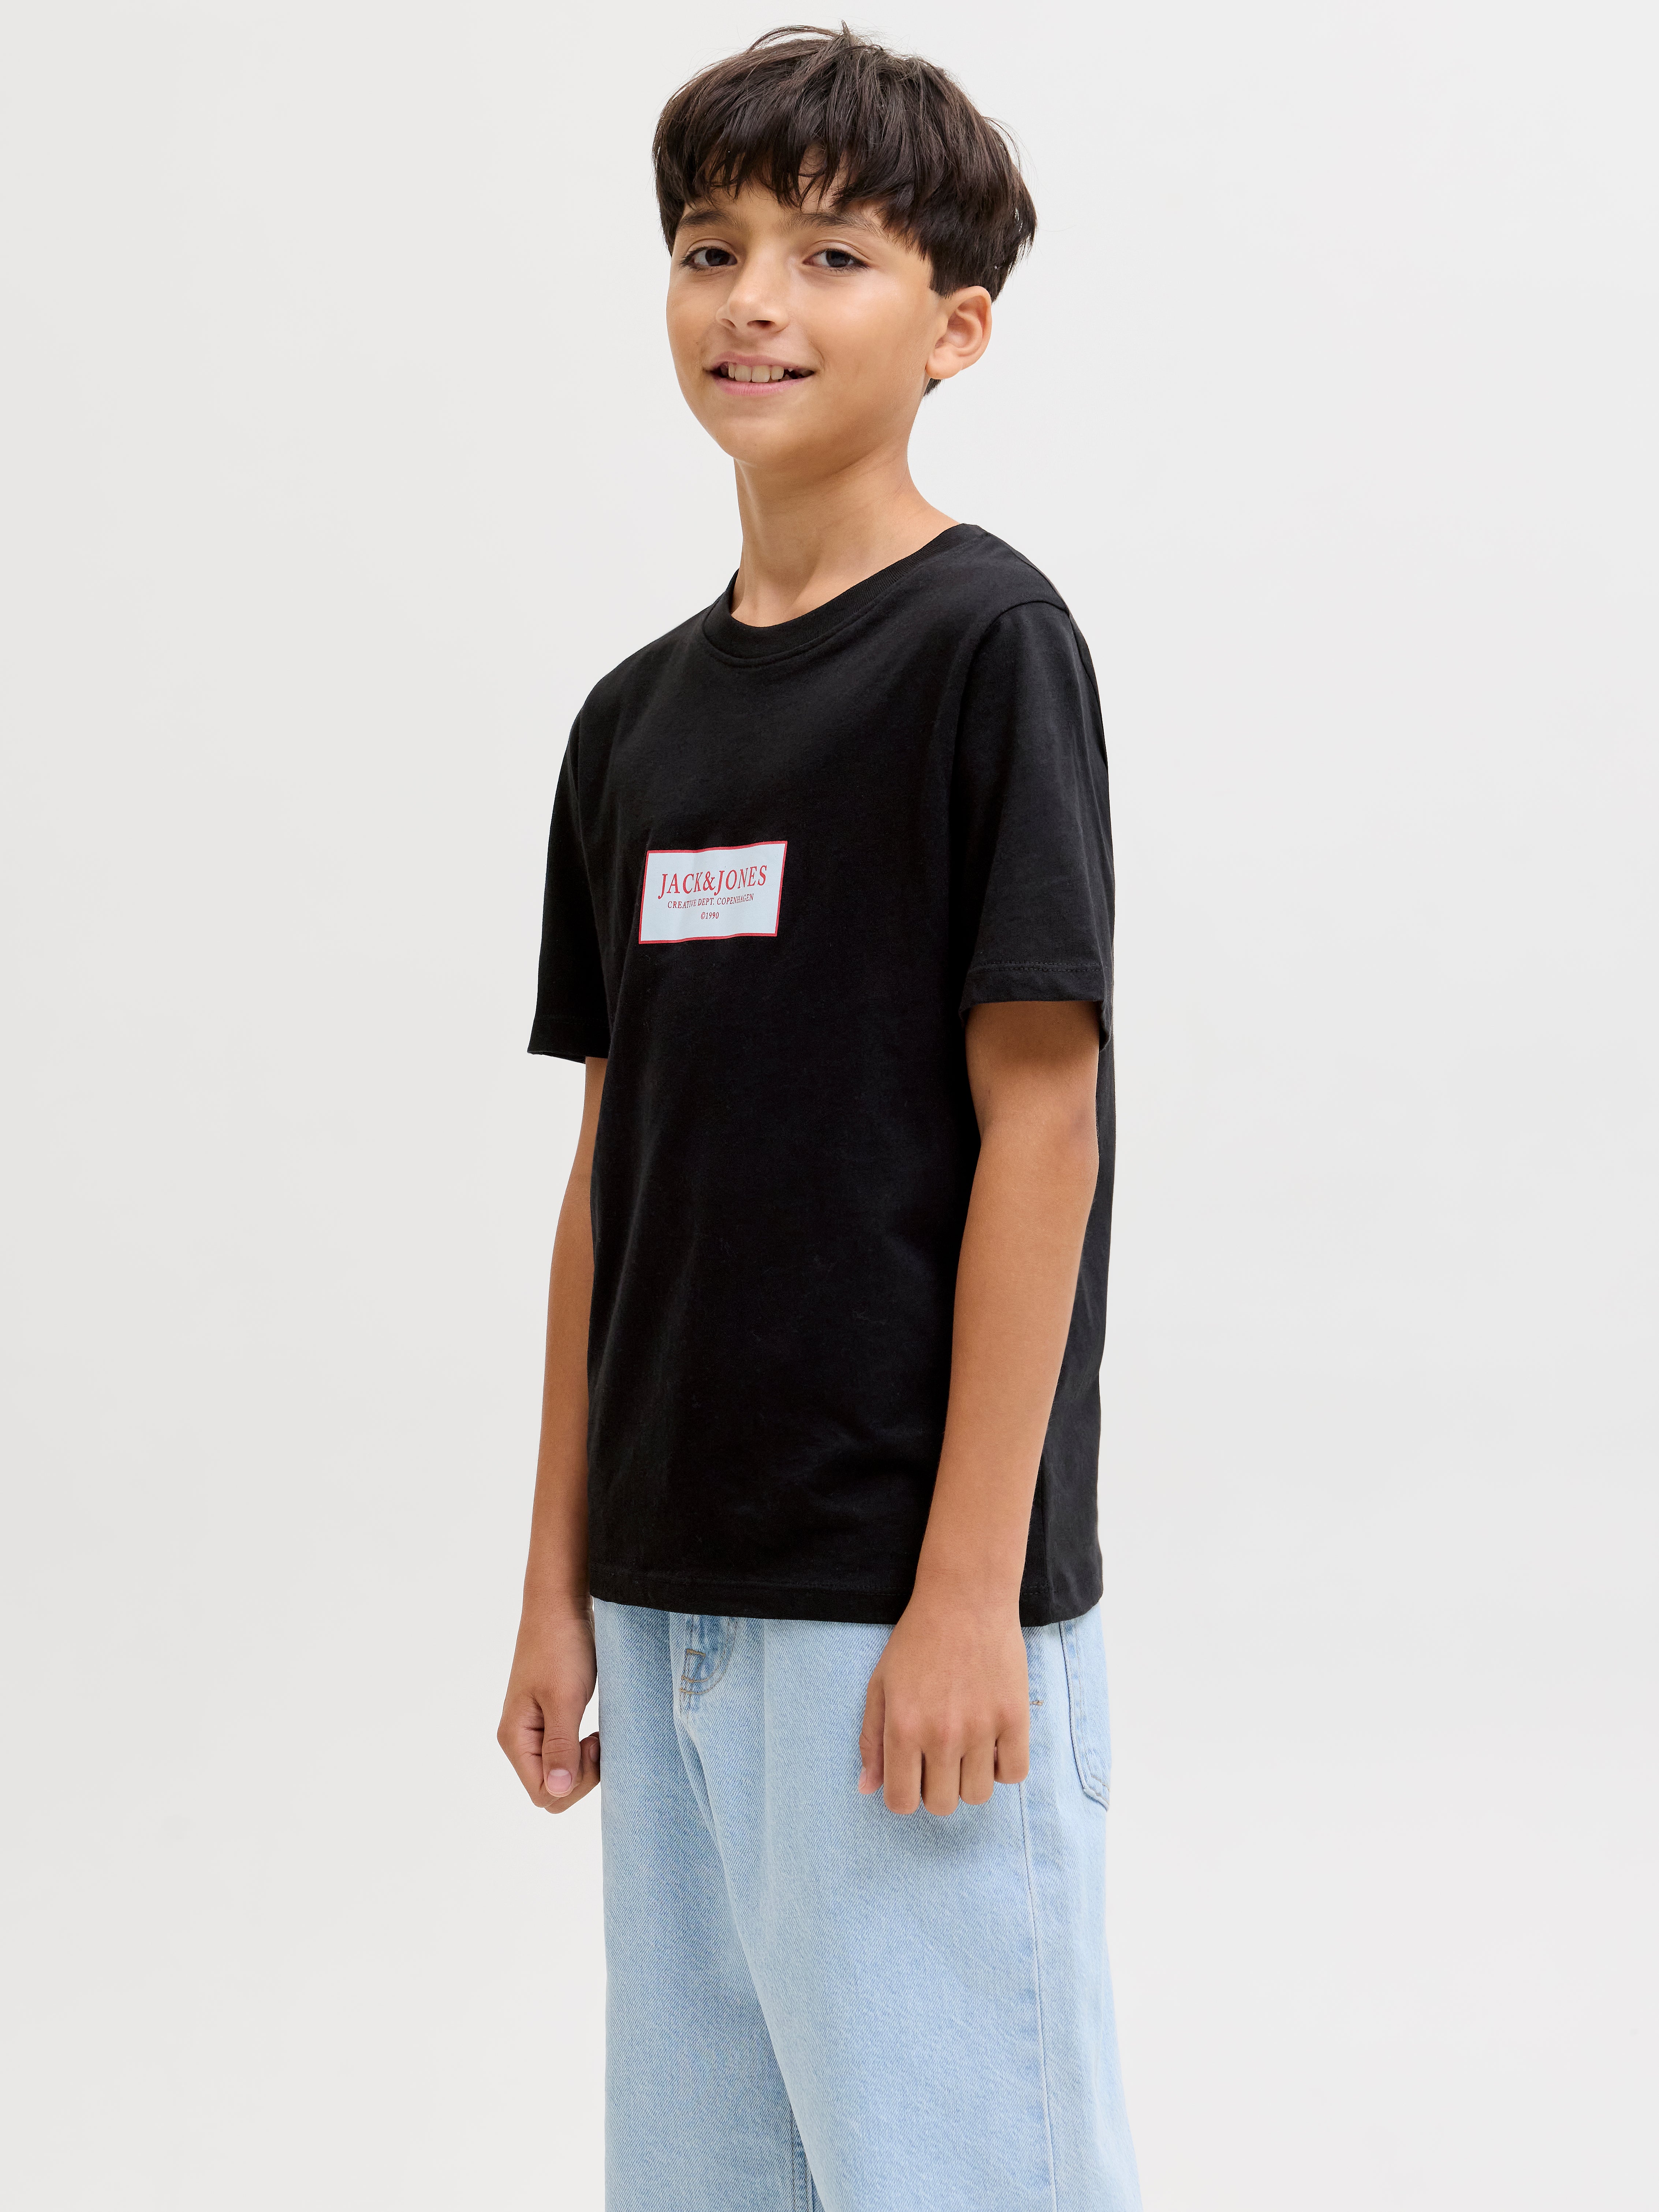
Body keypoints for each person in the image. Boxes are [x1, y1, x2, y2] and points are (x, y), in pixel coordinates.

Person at [497, 26, 1141, 2209]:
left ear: (956, 327)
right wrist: (559, 1582)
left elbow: (1043, 1134)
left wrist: (968, 1596)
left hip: (895, 1603)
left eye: (831, 255)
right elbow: (615, 1175)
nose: (753, 301)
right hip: (669, 1586)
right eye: (712, 249)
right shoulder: (634, 724)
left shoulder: (985, 649)